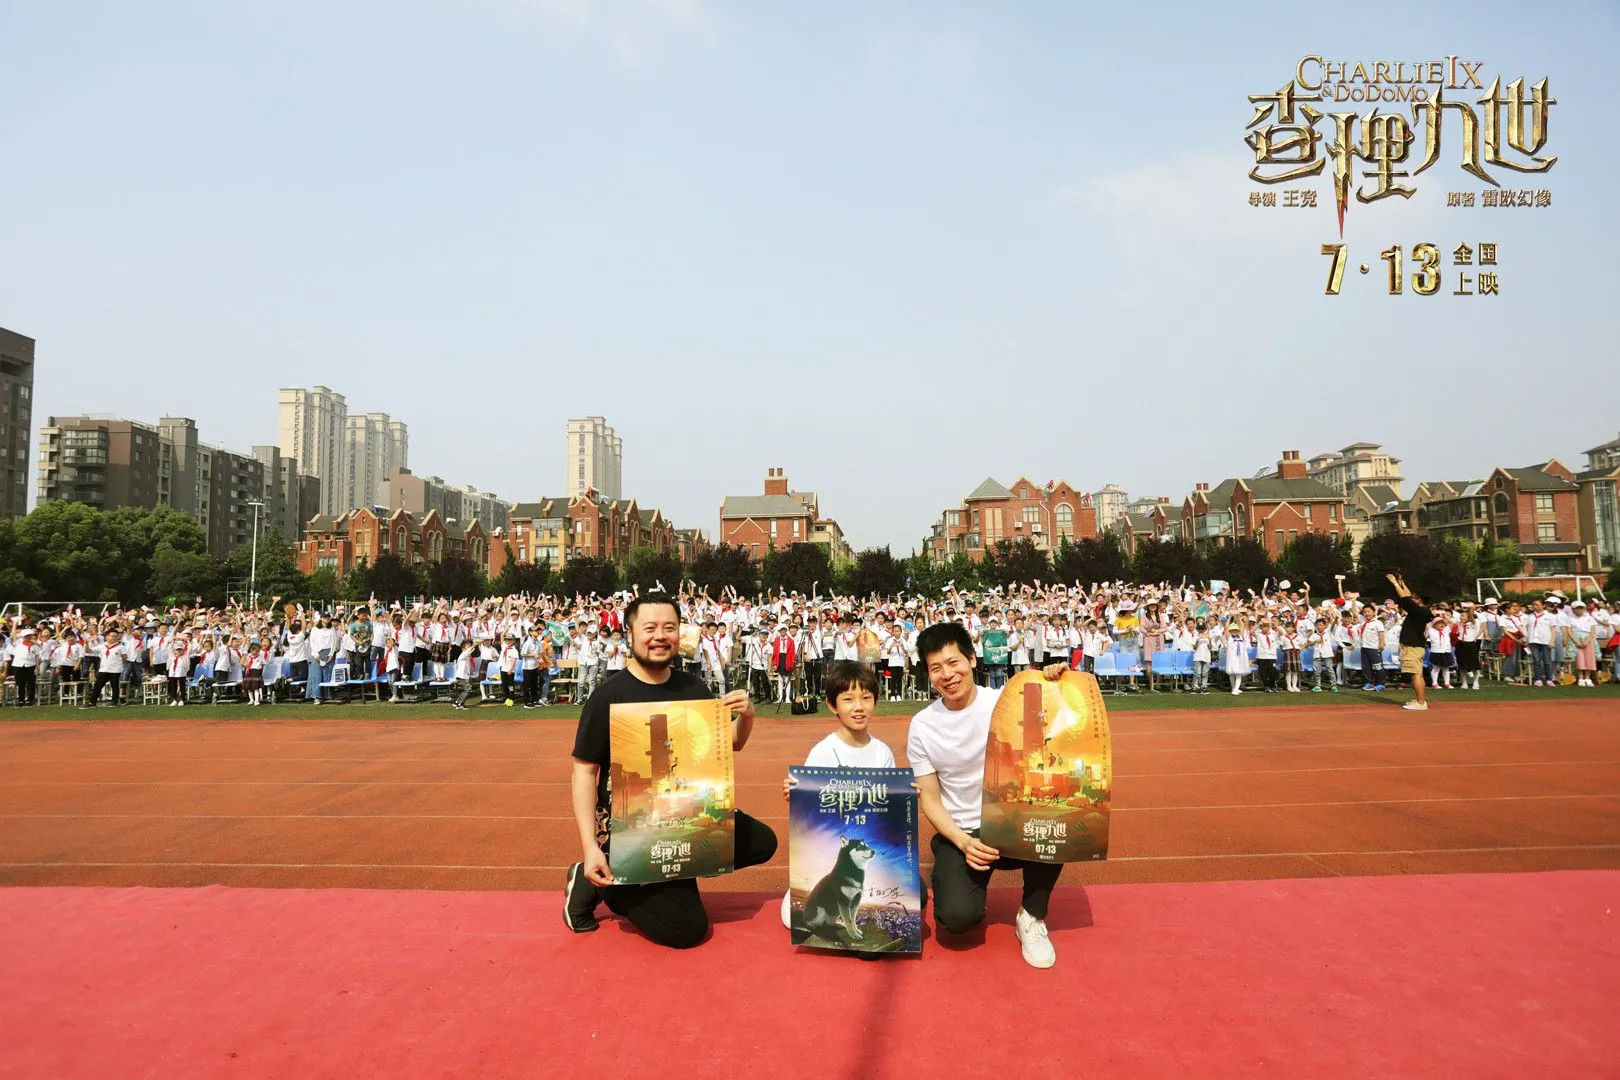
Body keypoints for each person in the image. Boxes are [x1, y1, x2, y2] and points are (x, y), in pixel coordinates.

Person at [565, 592, 777, 948]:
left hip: (682, 816)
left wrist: (748, 716)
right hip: (629, 829)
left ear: (680, 634)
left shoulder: (694, 688)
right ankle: (611, 887)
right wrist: (591, 846)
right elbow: (584, 773)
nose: (660, 636)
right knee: (687, 931)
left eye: (669, 628)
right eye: (649, 628)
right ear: (629, 635)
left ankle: (674, 873)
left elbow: (731, 745)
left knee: (762, 842)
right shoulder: (607, 697)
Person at [908, 621, 1070, 969]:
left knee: (1056, 818)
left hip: (1015, 824)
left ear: (972, 659)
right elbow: (931, 800)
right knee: (956, 920)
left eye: (954, 662)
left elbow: (1055, 718)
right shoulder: (922, 725)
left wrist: (1053, 680)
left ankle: (1032, 915)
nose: (947, 674)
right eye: (936, 668)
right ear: (928, 674)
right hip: (964, 833)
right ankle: (966, 887)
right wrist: (963, 843)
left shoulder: (1006, 702)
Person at [779, 661, 898, 928]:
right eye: (848, 699)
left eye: (866, 698)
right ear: (833, 705)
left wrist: (904, 799)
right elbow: (809, 811)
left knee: (918, 896)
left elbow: (889, 812)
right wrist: (796, 795)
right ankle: (815, 892)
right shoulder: (822, 752)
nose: (859, 707)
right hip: (833, 851)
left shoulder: (883, 752)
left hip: (866, 847)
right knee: (792, 919)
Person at [1386, 573, 1433, 711]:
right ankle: (1420, 700)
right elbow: (1407, 596)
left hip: (1413, 646)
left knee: (1416, 674)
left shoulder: (1419, 611)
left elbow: (1405, 598)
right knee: (1416, 673)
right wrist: (1402, 582)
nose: (1412, 599)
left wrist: (1395, 583)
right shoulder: (1421, 610)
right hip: (1414, 645)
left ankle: (1420, 702)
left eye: (1415, 598)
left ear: (1418, 601)